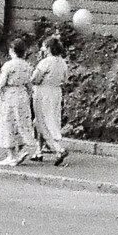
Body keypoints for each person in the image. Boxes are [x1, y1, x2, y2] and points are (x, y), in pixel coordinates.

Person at [0, 36, 39, 167]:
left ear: (12, 50)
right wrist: (31, 96)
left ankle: (12, 155)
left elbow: (1, 84)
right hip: (22, 95)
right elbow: (29, 85)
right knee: (22, 122)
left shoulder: (8, 65)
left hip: (10, 95)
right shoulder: (27, 66)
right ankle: (21, 149)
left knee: (8, 123)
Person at [30, 35, 70, 166]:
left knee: (42, 121)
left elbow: (35, 79)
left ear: (48, 48)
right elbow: (65, 80)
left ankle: (58, 149)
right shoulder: (63, 62)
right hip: (56, 92)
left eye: (44, 46)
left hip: (43, 92)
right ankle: (38, 151)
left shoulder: (45, 62)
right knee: (51, 119)